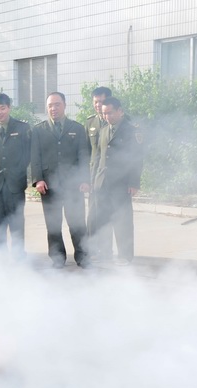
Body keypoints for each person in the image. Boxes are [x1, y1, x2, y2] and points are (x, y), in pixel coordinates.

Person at [31, 92, 91, 269]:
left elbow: (84, 155)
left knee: (77, 223)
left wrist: (84, 179)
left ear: (64, 105)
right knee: (53, 225)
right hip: (49, 186)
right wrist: (38, 180)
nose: (53, 108)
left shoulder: (77, 128)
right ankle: (57, 258)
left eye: (57, 104)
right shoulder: (39, 130)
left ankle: (83, 256)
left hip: (73, 185)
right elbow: (35, 157)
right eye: (50, 105)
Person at [92, 97, 144, 266]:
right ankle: (105, 253)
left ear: (120, 111)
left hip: (121, 184)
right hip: (102, 183)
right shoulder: (103, 130)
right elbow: (98, 157)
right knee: (103, 220)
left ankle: (125, 256)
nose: (107, 116)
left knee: (123, 221)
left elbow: (137, 159)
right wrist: (94, 180)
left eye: (110, 113)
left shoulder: (132, 131)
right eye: (104, 113)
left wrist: (134, 183)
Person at [0, 93, 31, 255]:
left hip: (15, 183)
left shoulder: (22, 128)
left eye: (2, 108)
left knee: (17, 221)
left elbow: (27, 154)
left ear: (9, 108)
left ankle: (18, 255)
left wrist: (17, 170)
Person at [85, 87, 114, 261]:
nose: (98, 105)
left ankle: (106, 251)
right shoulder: (90, 123)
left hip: (112, 178)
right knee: (92, 216)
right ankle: (92, 250)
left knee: (107, 216)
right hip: (94, 177)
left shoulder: (118, 121)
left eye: (101, 102)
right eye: (95, 102)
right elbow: (86, 152)